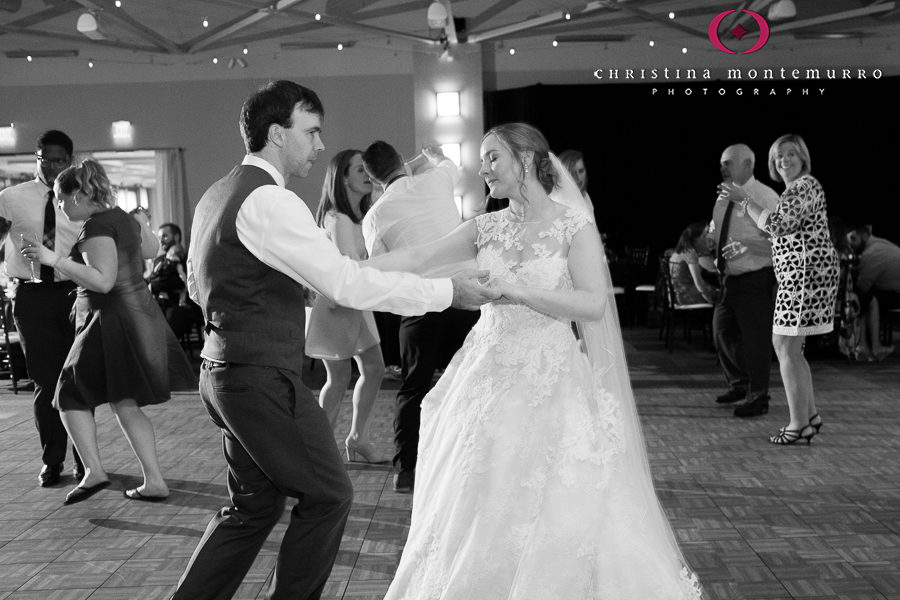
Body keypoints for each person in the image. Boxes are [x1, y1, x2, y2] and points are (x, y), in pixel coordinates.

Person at [173, 80, 497, 600]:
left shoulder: (217, 193)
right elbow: (345, 284)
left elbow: (196, 285)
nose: (320, 144)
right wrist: (445, 291)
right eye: (311, 131)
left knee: (253, 506)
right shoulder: (271, 201)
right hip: (259, 375)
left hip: (222, 369)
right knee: (327, 496)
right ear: (278, 134)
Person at [366, 122, 704, 599]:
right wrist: (346, 271)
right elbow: (419, 255)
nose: (482, 169)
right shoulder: (485, 226)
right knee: (480, 488)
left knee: (558, 493)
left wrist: (518, 289)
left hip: (551, 374)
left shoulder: (572, 227)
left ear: (525, 160)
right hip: (485, 373)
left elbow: (592, 304)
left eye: (491, 157)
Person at [21, 159, 196, 505]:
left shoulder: (95, 227)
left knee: (68, 395)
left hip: (108, 319)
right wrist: (143, 223)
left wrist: (53, 259)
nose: (59, 205)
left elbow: (103, 281)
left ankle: (94, 472)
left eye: (61, 198)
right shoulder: (123, 219)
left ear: (80, 195)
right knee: (124, 402)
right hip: (135, 314)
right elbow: (151, 250)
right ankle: (154, 481)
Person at [361, 141, 480, 494]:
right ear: (401, 161)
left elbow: (381, 268)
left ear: (373, 179)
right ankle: (469, 462)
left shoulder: (375, 216)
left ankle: (407, 471)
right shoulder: (434, 181)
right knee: (471, 382)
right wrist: (426, 155)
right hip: (466, 299)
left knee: (413, 388)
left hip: (421, 305)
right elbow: (446, 161)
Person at [719, 134, 839, 445]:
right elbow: (781, 234)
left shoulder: (805, 186)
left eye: (790, 154)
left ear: (803, 158)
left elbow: (775, 225)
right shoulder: (795, 190)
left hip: (805, 276)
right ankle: (809, 417)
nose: (784, 160)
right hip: (799, 275)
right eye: (778, 156)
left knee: (785, 346)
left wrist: (744, 200)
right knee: (790, 347)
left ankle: (798, 424)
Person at [0, 129, 84, 487]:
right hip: (32, 297)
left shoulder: (82, 197)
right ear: (36, 159)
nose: (51, 166)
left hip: (74, 294)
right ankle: (53, 461)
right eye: (44, 159)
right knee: (46, 382)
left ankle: (87, 463)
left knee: (79, 381)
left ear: (70, 161)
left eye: (59, 160)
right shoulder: (10, 198)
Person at [306, 149, 387, 463]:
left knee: (374, 369)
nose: (367, 175)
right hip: (338, 304)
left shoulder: (358, 217)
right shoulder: (338, 218)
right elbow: (350, 267)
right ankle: (322, 450)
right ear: (342, 178)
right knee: (338, 377)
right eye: (359, 170)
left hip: (356, 303)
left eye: (368, 169)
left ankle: (357, 438)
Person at [707, 143, 780, 417]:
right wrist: (710, 238)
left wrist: (746, 245)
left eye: (728, 162)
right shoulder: (725, 195)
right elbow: (717, 227)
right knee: (722, 332)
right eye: (722, 162)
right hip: (730, 279)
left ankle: (759, 396)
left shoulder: (765, 195)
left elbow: (780, 239)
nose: (723, 167)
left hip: (756, 279)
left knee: (755, 340)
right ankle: (740, 384)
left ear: (748, 164)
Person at [847, 224, 900, 360]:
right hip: (893, 290)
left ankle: (869, 346)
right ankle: (868, 346)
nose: (851, 244)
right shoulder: (880, 243)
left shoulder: (871, 254)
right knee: (867, 298)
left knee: (866, 299)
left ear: (864, 236)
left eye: (853, 239)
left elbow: (862, 286)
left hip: (896, 293)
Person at [146, 222, 200, 340]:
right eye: (159, 238)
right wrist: (159, 283)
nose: (161, 241)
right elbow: (151, 281)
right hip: (160, 304)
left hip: (181, 305)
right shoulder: (159, 260)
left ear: (176, 237)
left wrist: (158, 283)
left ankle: (169, 356)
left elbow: (180, 283)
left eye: (165, 236)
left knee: (169, 327)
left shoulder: (188, 258)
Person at [669, 222, 720, 305]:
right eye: (705, 235)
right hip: (686, 296)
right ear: (696, 239)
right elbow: (699, 283)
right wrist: (712, 302)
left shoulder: (681, 251)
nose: (708, 237)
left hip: (676, 294)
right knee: (724, 297)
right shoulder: (690, 253)